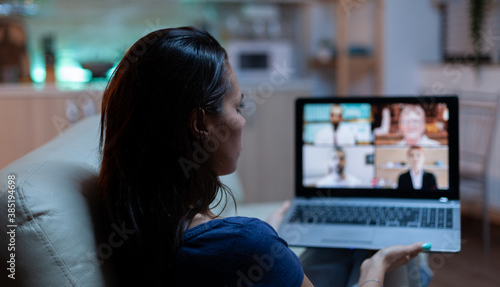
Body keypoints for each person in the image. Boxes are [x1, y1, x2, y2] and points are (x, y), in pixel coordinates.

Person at [98, 27, 426, 286]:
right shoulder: (244, 242)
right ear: (199, 123)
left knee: (343, 251)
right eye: (237, 106)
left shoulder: (134, 220)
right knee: (391, 257)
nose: (242, 120)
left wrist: (267, 243)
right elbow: (237, 251)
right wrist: (376, 268)